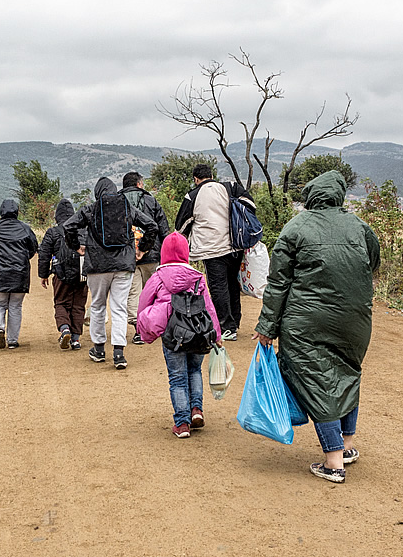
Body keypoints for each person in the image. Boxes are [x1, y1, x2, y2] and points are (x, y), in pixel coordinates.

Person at [252, 170, 380, 484]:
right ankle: (347, 446)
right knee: (348, 372)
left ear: (311, 196)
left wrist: (267, 326)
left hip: (306, 322)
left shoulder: (296, 228)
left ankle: (333, 461)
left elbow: (278, 283)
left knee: (317, 378)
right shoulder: (360, 227)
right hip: (355, 320)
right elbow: (372, 265)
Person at [62, 177, 158, 369]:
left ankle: (98, 349)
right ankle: (119, 353)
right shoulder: (126, 207)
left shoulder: (91, 209)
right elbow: (152, 226)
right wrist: (142, 249)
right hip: (124, 265)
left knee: (97, 306)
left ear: (98, 192)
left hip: (97, 265)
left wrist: (78, 247)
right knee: (119, 307)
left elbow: (68, 226)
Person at [137, 232, 222, 438]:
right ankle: (196, 410)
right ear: (186, 253)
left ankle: (182, 423)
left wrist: (144, 330)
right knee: (194, 371)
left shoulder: (158, 277)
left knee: (177, 378)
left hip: (173, 334)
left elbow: (143, 303)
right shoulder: (197, 277)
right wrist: (216, 335)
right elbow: (209, 307)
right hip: (198, 333)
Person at [174, 164, 244, 342]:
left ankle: (226, 326)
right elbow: (249, 205)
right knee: (232, 283)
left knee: (218, 286)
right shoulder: (230, 187)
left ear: (196, 179)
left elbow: (180, 225)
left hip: (211, 248)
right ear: (212, 175)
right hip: (235, 245)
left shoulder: (193, 195)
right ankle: (235, 321)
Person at [119, 171, 170, 345]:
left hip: (127, 256)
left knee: (133, 293)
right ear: (140, 184)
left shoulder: (118, 202)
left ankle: (138, 330)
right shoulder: (151, 200)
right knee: (154, 291)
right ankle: (155, 326)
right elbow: (162, 228)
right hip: (152, 254)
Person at [0, 199, 39, 349]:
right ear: (17, 211)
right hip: (19, 274)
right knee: (15, 306)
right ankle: (12, 340)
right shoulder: (25, 228)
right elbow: (33, 248)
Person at [38, 199, 89, 351]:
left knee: (61, 302)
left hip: (62, 274)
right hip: (82, 274)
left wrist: (44, 274)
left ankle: (64, 329)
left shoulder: (53, 232)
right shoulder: (83, 230)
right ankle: (76, 339)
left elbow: (44, 255)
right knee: (79, 305)